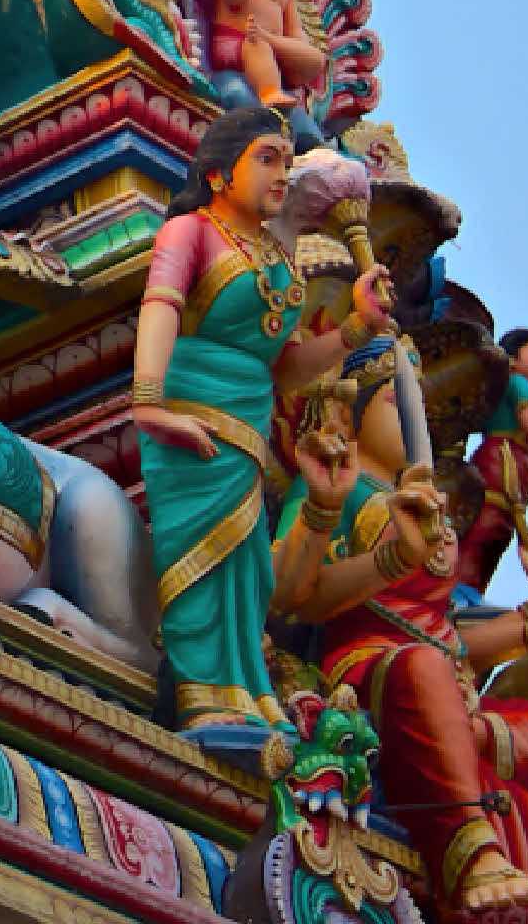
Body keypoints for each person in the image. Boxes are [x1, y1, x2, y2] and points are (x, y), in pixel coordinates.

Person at [274, 353, 528, 919]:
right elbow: (291, 598)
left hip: (450, 695)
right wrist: (361, 531)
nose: (414, 417)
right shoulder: (341, 489)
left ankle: (455, 738)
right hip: (372, 673)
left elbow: (447, 636)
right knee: (423, 668)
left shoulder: (424, 506)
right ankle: (473, 853)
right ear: (346, 417)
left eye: (420, 408)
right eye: (395, 402)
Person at [127, 103, 391, 738]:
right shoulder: (190, 231)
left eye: (287, 162)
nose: (281, 175)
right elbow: (160, 307)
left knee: (246, 565)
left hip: (247, 427)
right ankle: (202, 691)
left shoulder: (277, 258)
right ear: (220, 174)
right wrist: (148, 402)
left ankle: (247, 689)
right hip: (191, 410)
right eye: (267, 159)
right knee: (199, 554)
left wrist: (359, 323)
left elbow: (291, 368)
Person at [459, 326, 528, 594]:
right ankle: (466, 590)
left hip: (497, 458)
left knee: (490, 530)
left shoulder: (499, 386)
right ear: (513, 356)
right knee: (491, 528)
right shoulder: (518, 383)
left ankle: (468, 590)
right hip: (505, 461)